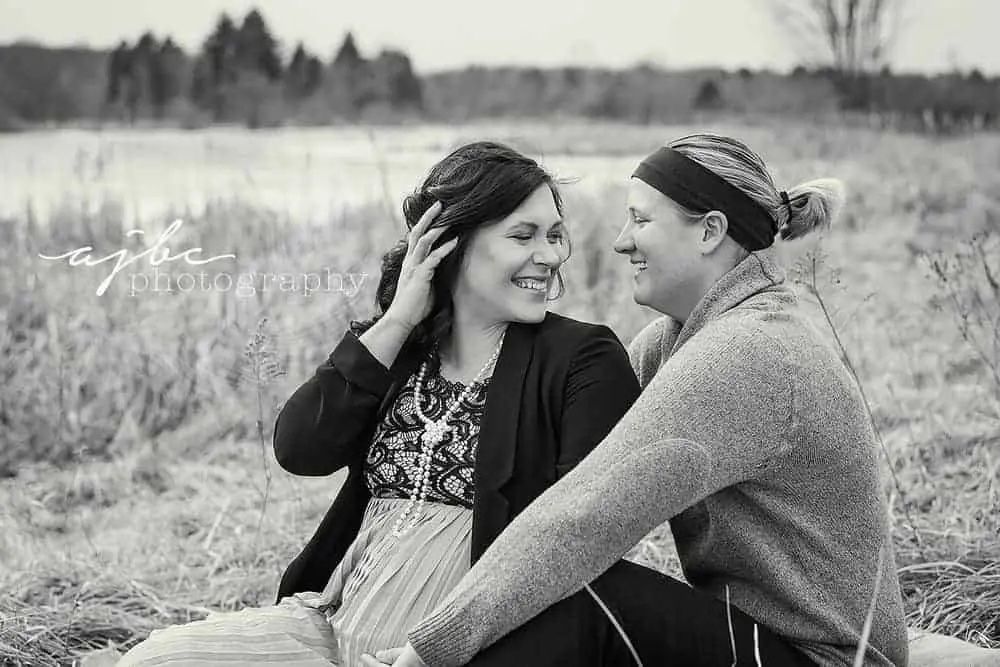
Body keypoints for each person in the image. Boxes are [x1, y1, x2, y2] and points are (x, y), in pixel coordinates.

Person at [368, 134, 909, 667]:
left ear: (710, 232)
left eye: (641, 220)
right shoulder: (674, 342)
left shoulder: (750, 352)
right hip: (750, 639)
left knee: (588, 598)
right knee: (545, 585)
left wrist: (429, 649)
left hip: (826, 658)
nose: (622, 241)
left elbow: (587, 516)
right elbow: (567, 476)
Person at [116, 141, 641, 666]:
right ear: (447, 244)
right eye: (523, 236)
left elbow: (582, 535)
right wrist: (398, 321)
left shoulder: (582, 358)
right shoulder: (402, 351)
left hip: (457, 648)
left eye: (554, 235)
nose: (550, 255)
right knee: (152, 660)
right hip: (329, 623)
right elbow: (300, 450)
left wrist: (441, 647)